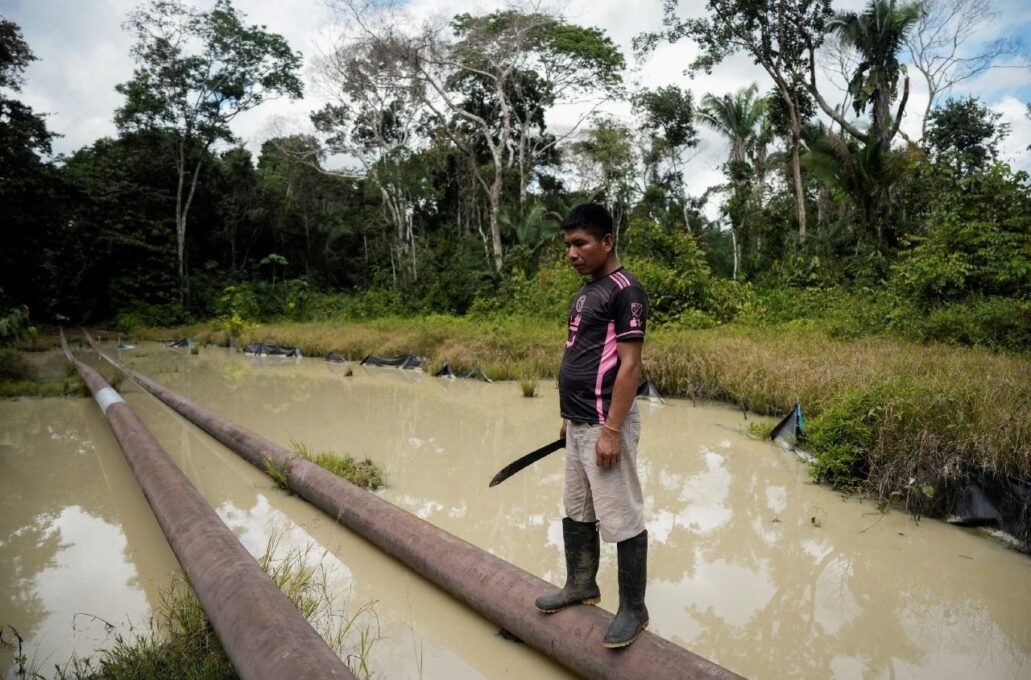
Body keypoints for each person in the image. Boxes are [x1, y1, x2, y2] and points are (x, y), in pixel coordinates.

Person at [535, 203, 649, 649]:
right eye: (567, 244)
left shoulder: (626, 290)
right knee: (577, 509)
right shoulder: (586, 292)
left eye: (580, 243)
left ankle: (634, 609)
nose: (572, 252)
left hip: (606, 422)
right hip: (578, 423)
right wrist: (567, 416)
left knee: (620, 515)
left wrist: (612, 430)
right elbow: (579, 355)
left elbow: (630, 364)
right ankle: (581, 584)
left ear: (607, 242)